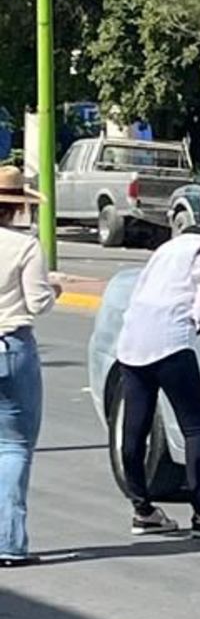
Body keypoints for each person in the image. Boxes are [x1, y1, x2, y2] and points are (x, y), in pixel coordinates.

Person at [115, 195, 200, 538]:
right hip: (171, 346)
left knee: (134, 432)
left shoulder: (169, 249)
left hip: (132, 344)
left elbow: (143, 292)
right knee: (195, 428)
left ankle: (142, 510)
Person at [0, 166, 60, 565]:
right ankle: (9, 541)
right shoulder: (25, 247)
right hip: (10, 346)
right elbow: (38, 302)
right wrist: (55, 289)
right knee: (14, 445)